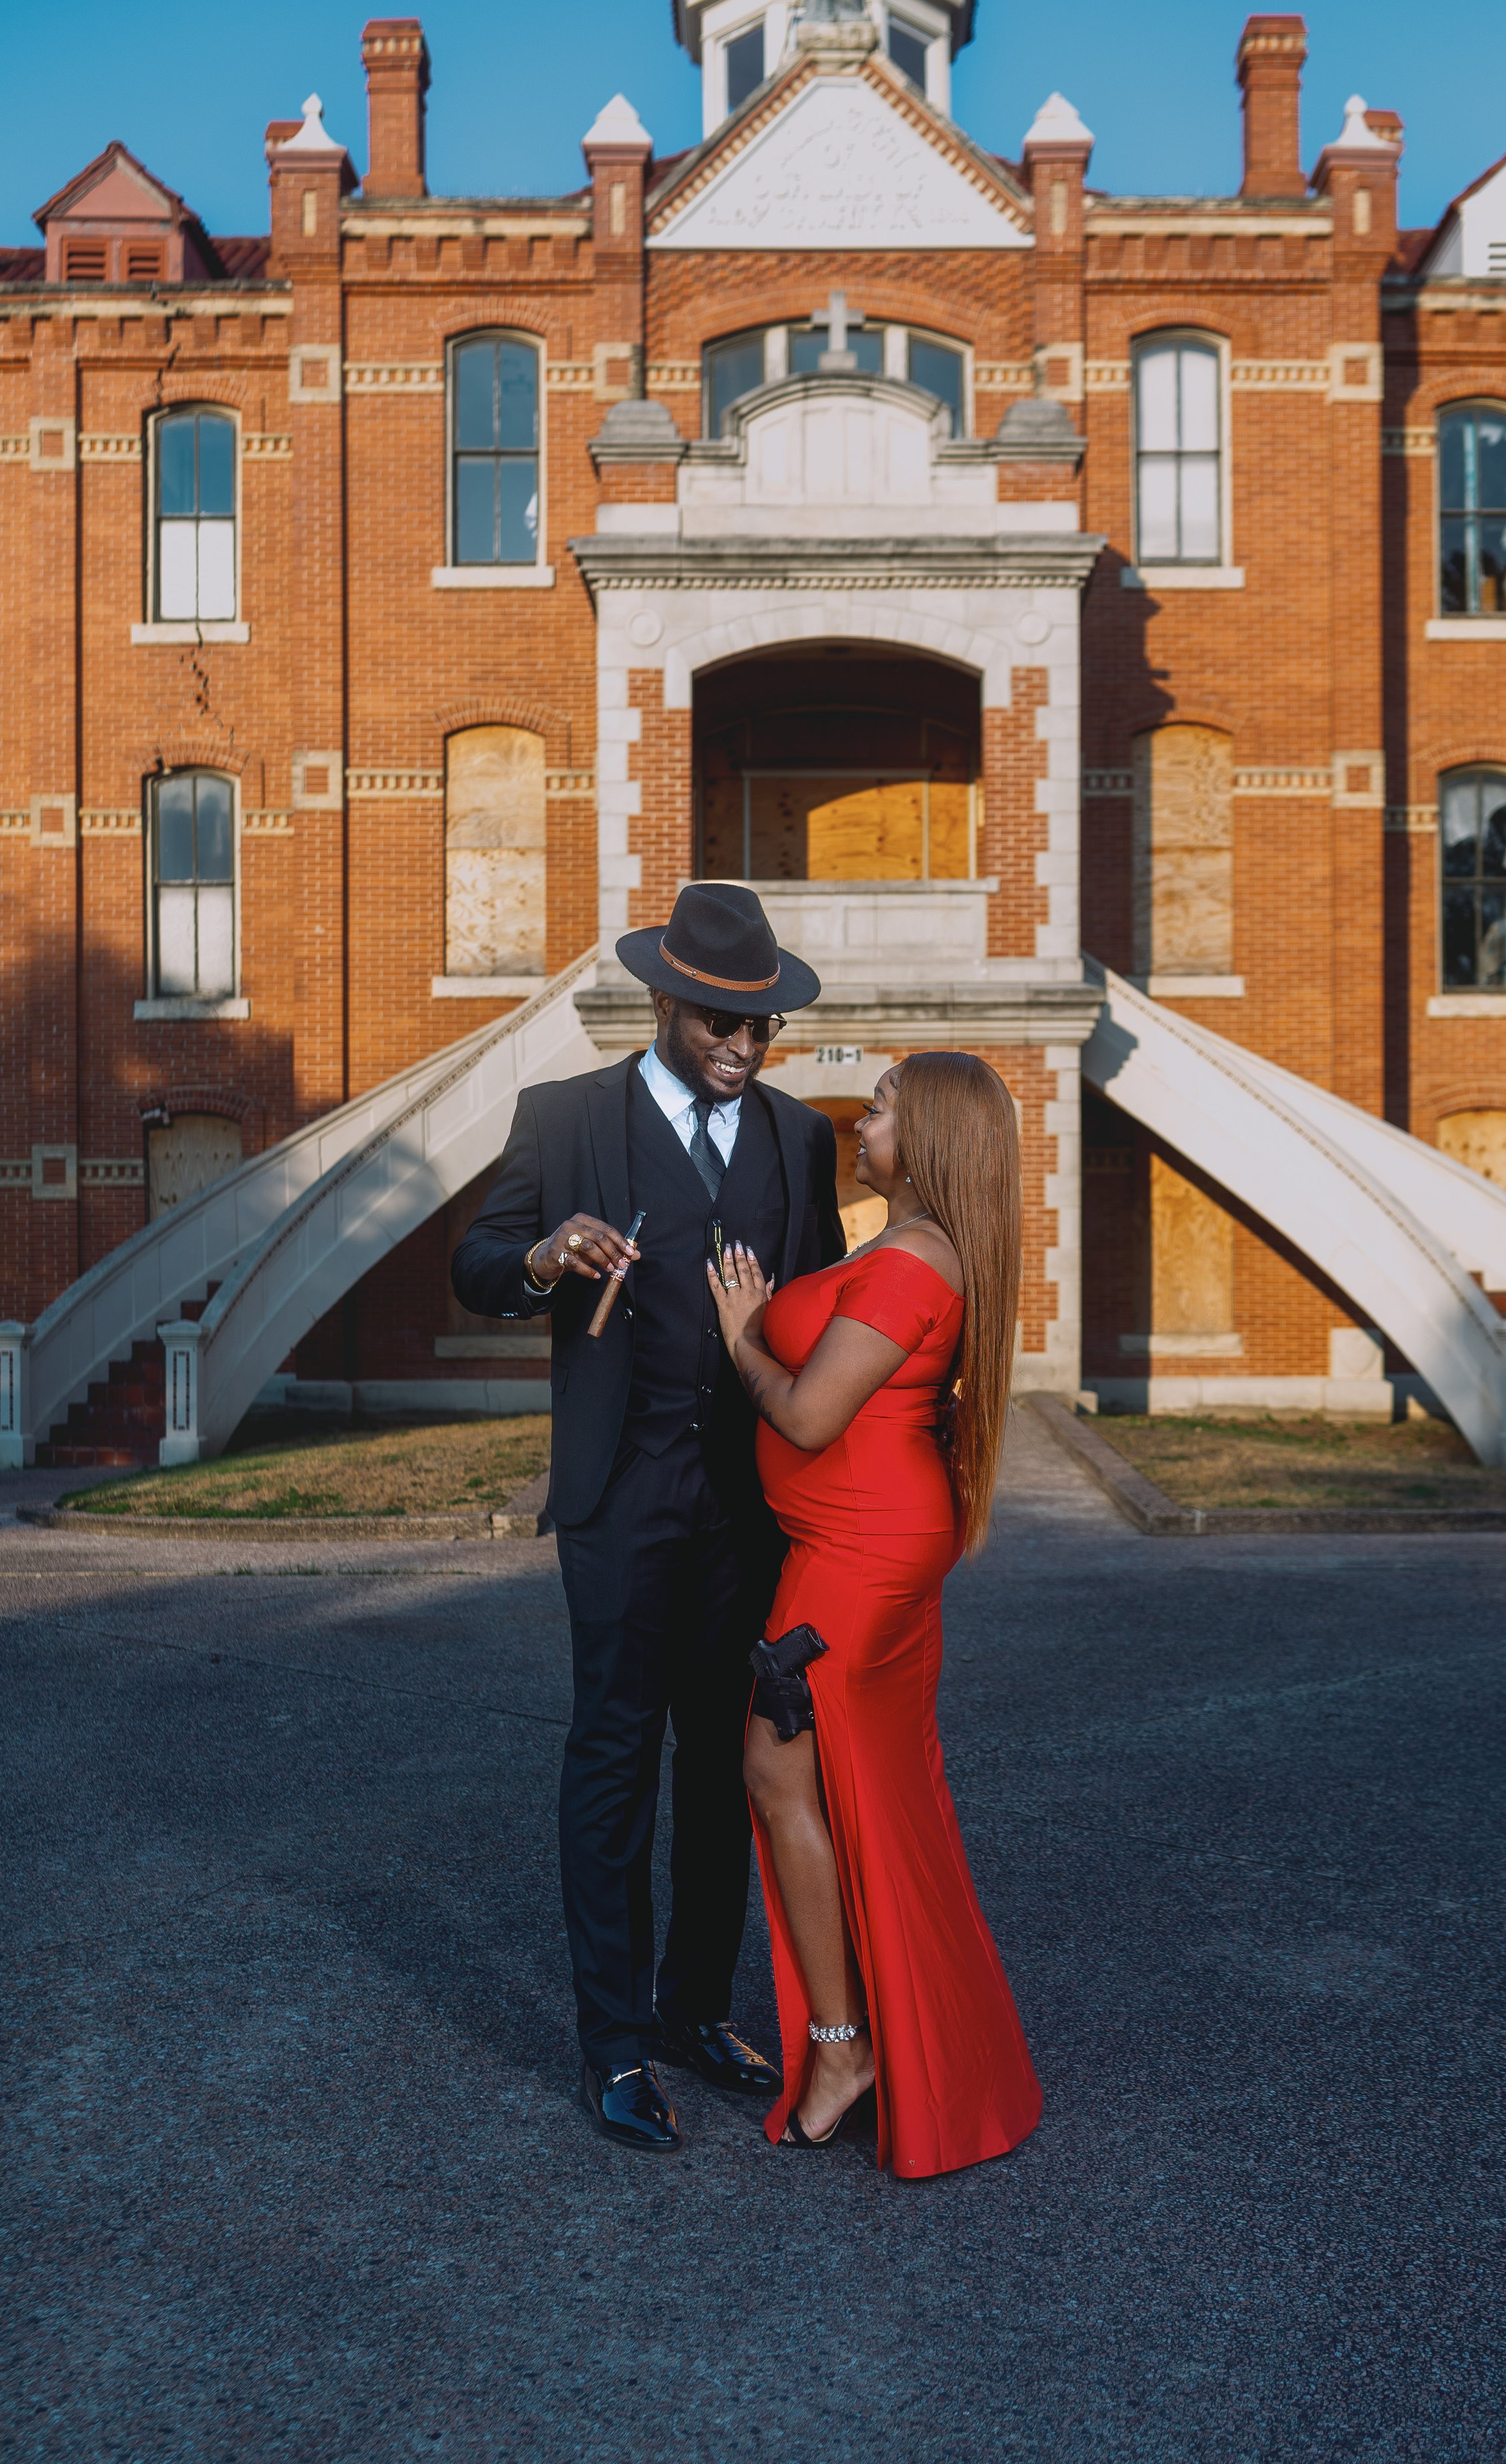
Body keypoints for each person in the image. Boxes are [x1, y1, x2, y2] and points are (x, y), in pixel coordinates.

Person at [451, 884, 845, 2153]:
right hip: (620, 1498)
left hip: (749, 1510)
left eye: (764, 1026)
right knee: (614, 1762)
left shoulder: (796, 1138)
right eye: (724, 1021)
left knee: (726, 1768)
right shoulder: (564, 1120)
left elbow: (831, 1305)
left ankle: (692, 2010)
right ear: (667, 1002)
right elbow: (476, 1262)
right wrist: (542, 1255)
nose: (744, 1046)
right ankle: (613, 2043)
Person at [707, 1049, 1042, 2178]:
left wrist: (743, 1336)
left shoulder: (912, 1266)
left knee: (775, 1765)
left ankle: (845, 2048)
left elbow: (806, 1417)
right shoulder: (908, 1245)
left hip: (854, 1551)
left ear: (935, 1135)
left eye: (887, 1105)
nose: (867, 1117)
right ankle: (905, 2039)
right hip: (863, 1538)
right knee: (874, 1789)